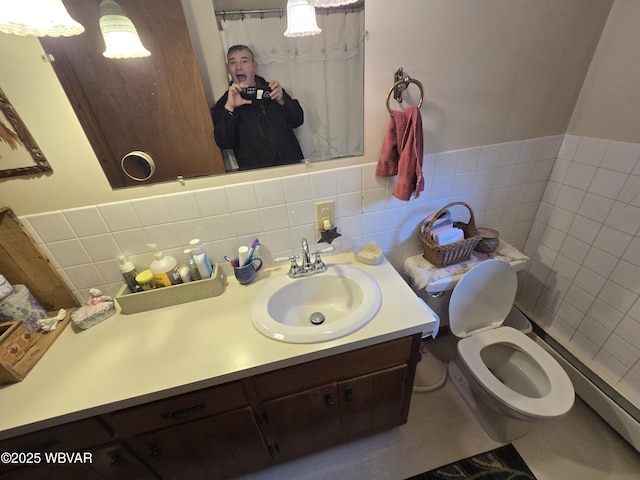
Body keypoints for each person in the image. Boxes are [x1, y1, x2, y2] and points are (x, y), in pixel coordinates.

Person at [212, 45, 305, 170]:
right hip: (258, 177)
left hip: (292, 168)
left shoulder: (273, 90)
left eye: (244, 61)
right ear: (229, 69)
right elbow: (224, 143)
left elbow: (298, 120)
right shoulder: (225, 104)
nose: (239, 67)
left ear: (254, 66)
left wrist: (282, 100)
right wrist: (230, 109)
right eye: (233, 62)